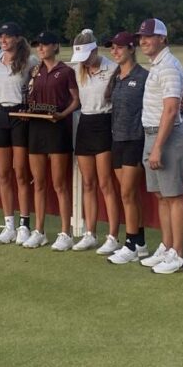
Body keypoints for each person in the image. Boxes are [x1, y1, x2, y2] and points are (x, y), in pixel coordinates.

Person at [134, 19, 183, 274]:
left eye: (149, 36)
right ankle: (168, 247)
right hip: (154, 135)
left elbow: (170, 110)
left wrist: (157, 147)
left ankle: (179, 255)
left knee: (174, 196)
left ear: (162, 39)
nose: (143, 41)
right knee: (161, 195)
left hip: (166, 137)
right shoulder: (158, 65)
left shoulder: (167, 66)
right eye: (141, 37)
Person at [22, 30, 80, 250]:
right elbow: (31, 99)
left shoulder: (65, 71)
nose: (41, 48)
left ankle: (66, 232)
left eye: (45, 44)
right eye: (38, 45)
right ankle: (39, 230)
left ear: (55, 46)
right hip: (36, 127)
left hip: (57, 128)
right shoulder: (35, 71)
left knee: (59, 183)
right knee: (38, 183)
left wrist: (63, 115)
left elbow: (75, 100)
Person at [101, 31, 152, 264]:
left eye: (120, 47)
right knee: (129, 195)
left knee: (127, 194)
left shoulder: (143, 76)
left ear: (132, 48)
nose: (115, 51)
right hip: (117, 139)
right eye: (112, 48)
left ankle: (131, 243)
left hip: (136, 139)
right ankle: (140, 243)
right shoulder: (116, 76)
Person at [69, 29, 121, 252]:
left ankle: (113, 236)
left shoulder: (112, 68)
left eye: (87, 57)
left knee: (105, 183)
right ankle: (90, 233)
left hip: (104, 123)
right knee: (88, 183)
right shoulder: (78, 69)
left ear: (95, 50)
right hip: (85, 124)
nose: (84, 62)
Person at [0, 22, 38, 244]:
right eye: (1, 37)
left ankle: (24, 224)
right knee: (3, 173)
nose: (3, 40)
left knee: (20, 172)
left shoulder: (30, 61)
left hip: (20, 116)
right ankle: (8, 223)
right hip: (0, 115)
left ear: (18, 38)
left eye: (7, 37)